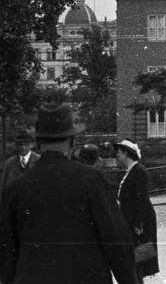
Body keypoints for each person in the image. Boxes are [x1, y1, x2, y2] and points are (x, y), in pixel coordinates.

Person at [0, 103, 136, 284]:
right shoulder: (91, 179)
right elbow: (116, 237)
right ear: (72, 141)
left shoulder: (15, 188)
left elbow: (6, 252)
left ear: (37, 143)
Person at [115, 140, 159, 283]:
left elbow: (141, 199)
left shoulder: (139, 171)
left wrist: (138, 224)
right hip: (131, 220)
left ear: (126, 153)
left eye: (119, 152)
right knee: (134, 258)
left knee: (138, 258)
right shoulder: (131, 171)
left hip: (139, 222)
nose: (117, 155)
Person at [0, 130, 38, 205]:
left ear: (32, 145)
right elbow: (3, 188)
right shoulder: (9, 163)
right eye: (20, 145)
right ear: (16, 145)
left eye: (26, 144)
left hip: (33, 205)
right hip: (14, 206)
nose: (23, 147)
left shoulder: (39, 161)